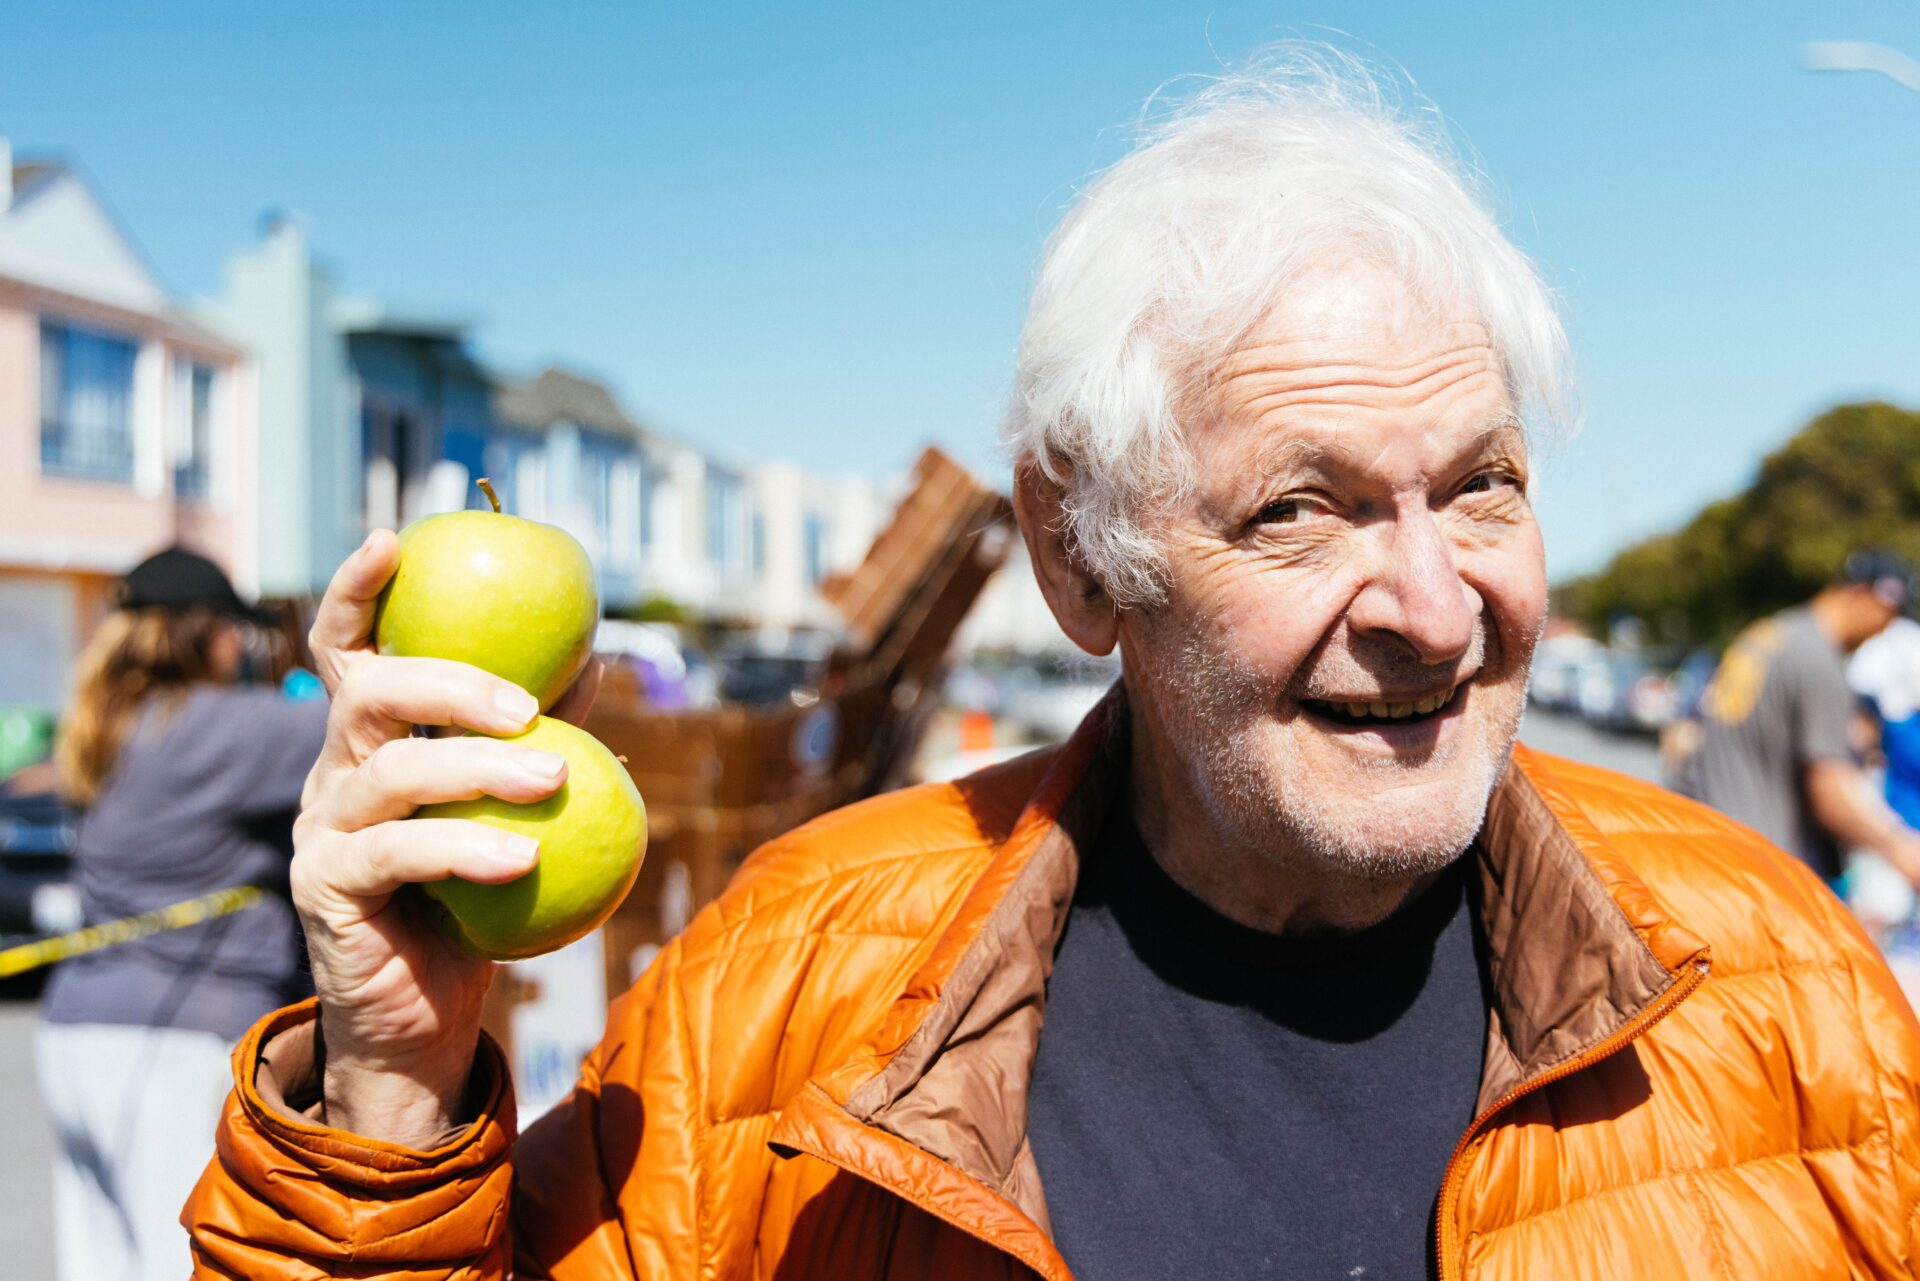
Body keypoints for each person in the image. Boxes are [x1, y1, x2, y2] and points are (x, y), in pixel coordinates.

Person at [186, 50, 1920, 1279]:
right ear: (1081, 559)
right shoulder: (790, 988)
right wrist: (393, 1098)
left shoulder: (1786, 986)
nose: (1437, 605)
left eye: (1480, 487)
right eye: (1300, 510)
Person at [38, 546, 328, 1281]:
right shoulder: (214, 726)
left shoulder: (106, 724)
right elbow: (372, 724)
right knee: (182, 1262)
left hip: (74, 1032)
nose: (243, 646)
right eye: (237, 629)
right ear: (199, 632)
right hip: (169, 1043)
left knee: (98, 1266)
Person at [1678, 549, 1920, 892]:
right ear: (1863, 597)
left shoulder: (1770, 633)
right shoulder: (1817, 661)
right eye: (1887, 617)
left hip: (1707, 846)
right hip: (1755, 869)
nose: (1881, 631)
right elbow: (1830, 787)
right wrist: (1899, 847)